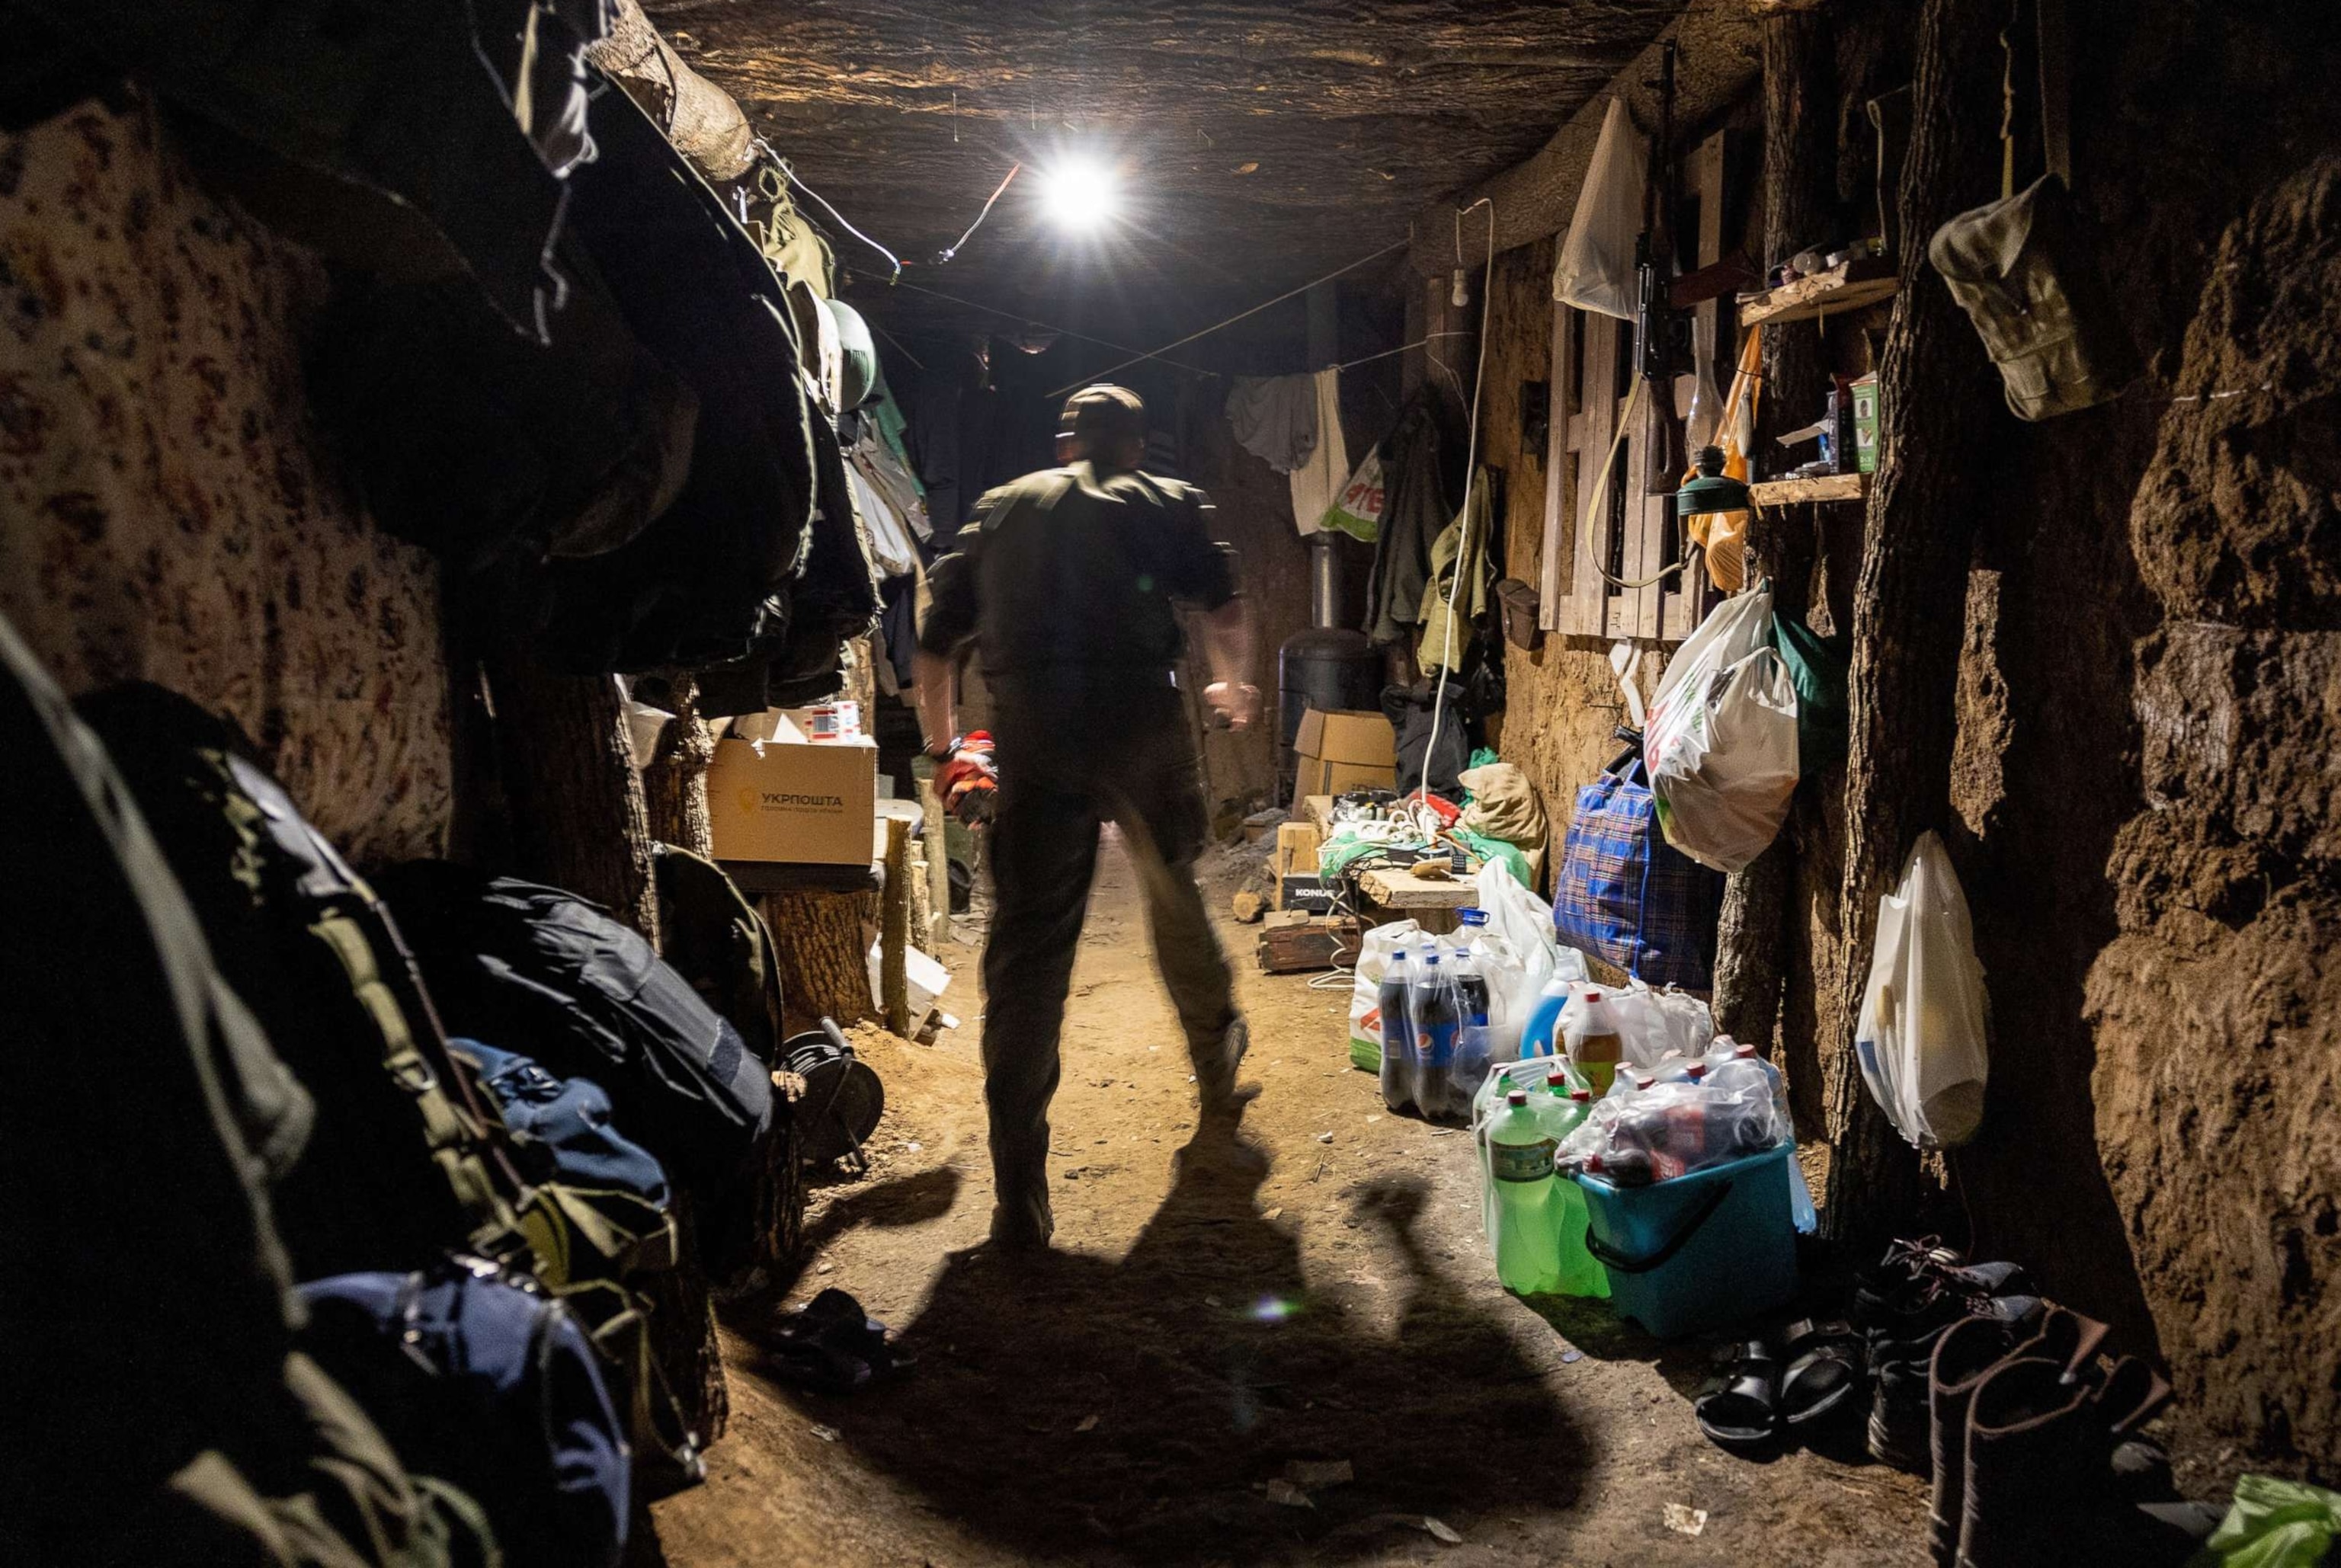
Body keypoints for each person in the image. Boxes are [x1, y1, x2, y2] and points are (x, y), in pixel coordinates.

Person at [914, 383, 1260, 1251]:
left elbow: (934, 641)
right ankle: (1218, 1077)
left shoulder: (1000, 511)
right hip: (1139, 722)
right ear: (1136, 445)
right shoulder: (1169, 502)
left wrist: (946, 748)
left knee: (1027, 951)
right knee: (1175, 898)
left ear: (1067, 443)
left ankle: (1019, 1189)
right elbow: (1222, 605)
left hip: (1034, 729)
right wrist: (1229, 678)